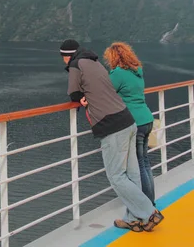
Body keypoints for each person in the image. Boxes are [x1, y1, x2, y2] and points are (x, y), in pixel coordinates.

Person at [60, 39, 163, 233]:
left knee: (116, 175)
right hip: (129, 121)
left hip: (112, 126)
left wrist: (80, 98)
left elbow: (73, 93)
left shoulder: (75, 64)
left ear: (66, 55)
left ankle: (149, 212)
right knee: (133, 173)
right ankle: (134, 219)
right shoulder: (94, 61)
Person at [104, 42, 155, 207]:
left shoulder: (118, 74)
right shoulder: (137, 72)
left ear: (113, 57)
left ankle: (145, 206)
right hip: (147, 118)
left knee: (137, 165)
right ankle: (150, 202)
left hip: (134, 122)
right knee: (144, 162)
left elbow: (105, 91)